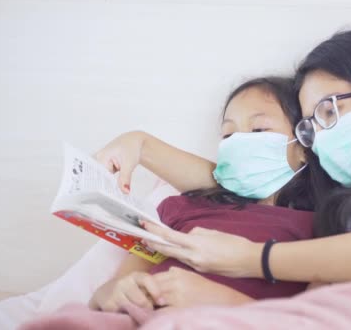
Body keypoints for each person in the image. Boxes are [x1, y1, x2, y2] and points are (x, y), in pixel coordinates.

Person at [97, 29, 351, 301]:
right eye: (313, 123)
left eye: (330, 110)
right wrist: (142, 145)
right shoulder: (347, 210)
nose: (324, 135)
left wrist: (250, 259)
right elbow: (233, 185)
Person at [90, 77, 333, 312]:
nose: (238, 142)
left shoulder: (321, 229)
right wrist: (114, 292)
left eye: (258, 129)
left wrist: (223, 301)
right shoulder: (181, 207)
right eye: (228, 135)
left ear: (303, 147)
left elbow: (310, 321)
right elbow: (109, 291)